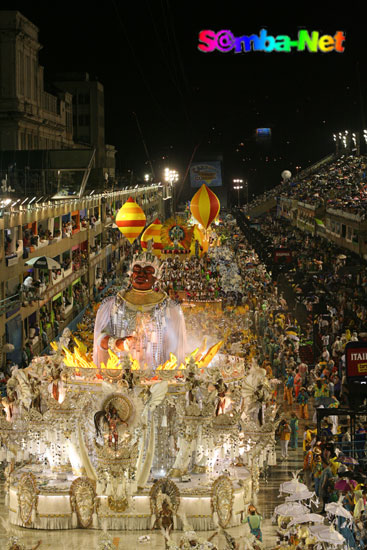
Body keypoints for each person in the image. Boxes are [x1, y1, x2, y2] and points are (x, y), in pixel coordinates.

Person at [93, 251, 186, 370]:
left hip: (155, 375)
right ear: (131, 274)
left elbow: (176, 347)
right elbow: (100, 338)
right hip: (120, 371)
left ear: (156, 277)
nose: (141, 274)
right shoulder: (113, 304)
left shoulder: (169, 308)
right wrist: (117, 343)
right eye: (137, 270)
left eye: (148, 271)